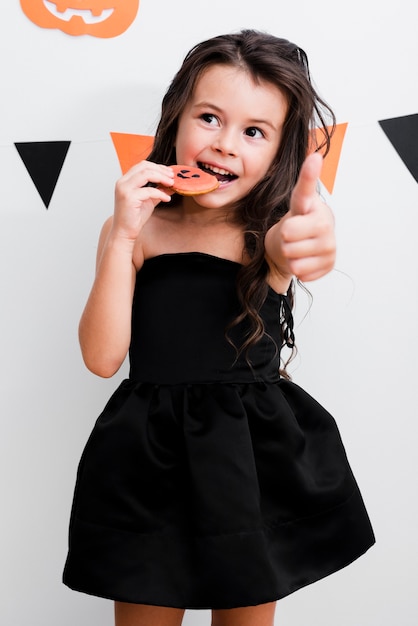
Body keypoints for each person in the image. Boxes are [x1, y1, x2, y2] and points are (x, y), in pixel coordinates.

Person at [63, 29, 375, 626]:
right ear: (176, 118)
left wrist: (312, 238)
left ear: (280, 152)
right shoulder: (136, 231)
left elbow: (299, 240)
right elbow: (102, 359)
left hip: (250, 461)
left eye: (254, 132)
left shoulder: (272, 232)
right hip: (146, 460)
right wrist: (124, 232)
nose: (226, 145)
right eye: (210, 118)